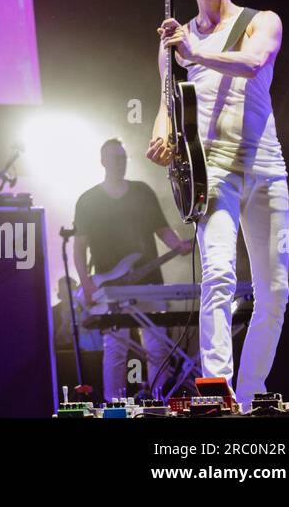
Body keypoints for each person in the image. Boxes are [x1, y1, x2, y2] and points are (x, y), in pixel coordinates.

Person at [148, 0, 289, 410]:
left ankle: (251, 394)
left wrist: (193, 52)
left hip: (266, 167)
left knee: (275, 290)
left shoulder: (261, 21)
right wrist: (161, 132)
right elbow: (167, 101)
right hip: (213, 174)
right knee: (219, 278)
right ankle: (217, 393)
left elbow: (254, 64)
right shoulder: (176, 43)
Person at [73, 138, 194, 400]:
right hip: (111, 288)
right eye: (115, 158)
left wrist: (178, 244)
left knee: (157, 344)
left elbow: (161, 228)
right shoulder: (88, 200)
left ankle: (160, 400)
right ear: (103, 161)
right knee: (116, 347)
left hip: (149, 282)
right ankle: (113, 403)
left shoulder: (142, 192)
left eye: (123, 158)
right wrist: (87, 284)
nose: (120, 163)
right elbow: (79, 247)